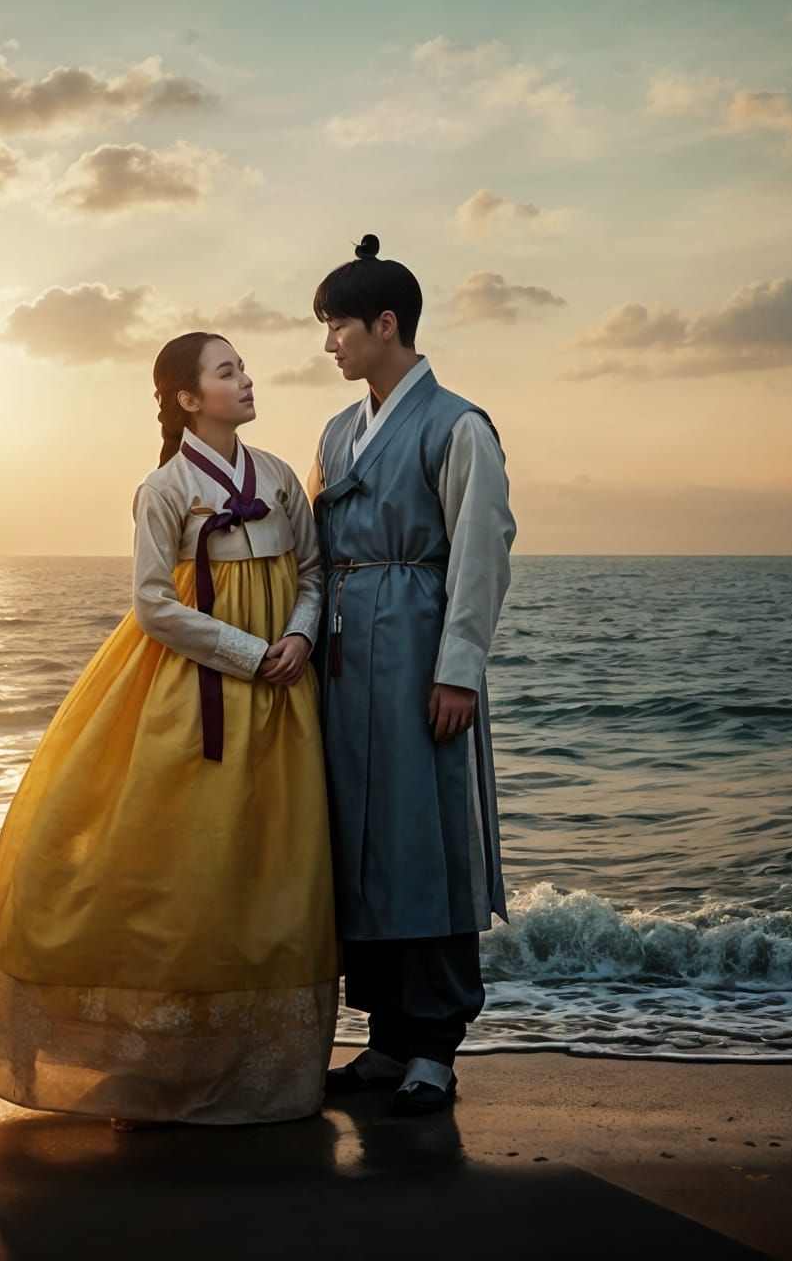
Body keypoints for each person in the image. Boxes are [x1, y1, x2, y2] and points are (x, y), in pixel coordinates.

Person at [0, 332, 337, 1126]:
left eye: (242, 368)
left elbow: (312, 572)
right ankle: (157, 1060)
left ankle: (256, 1070)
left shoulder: (276, 476)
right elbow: (153, 605)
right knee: (181, 875)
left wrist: (300, 639)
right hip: (192, 688)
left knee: (267, 871)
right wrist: (248, 652)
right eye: (226, 371)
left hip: (281, 694)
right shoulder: (163, 488)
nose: (245, 380)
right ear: (188, 400)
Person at [308, 235, 516, 1115]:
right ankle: (385, 1037)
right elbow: (312, 549)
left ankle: (435, 1044)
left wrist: (458, 671)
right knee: (360, 842)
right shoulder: (336, 431)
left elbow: (481, 549)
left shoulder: (457, 423)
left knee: (424, 840)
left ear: (386, 324)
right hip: (345, 659)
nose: (330, 346)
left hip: (420, 648)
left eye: (339, 327)